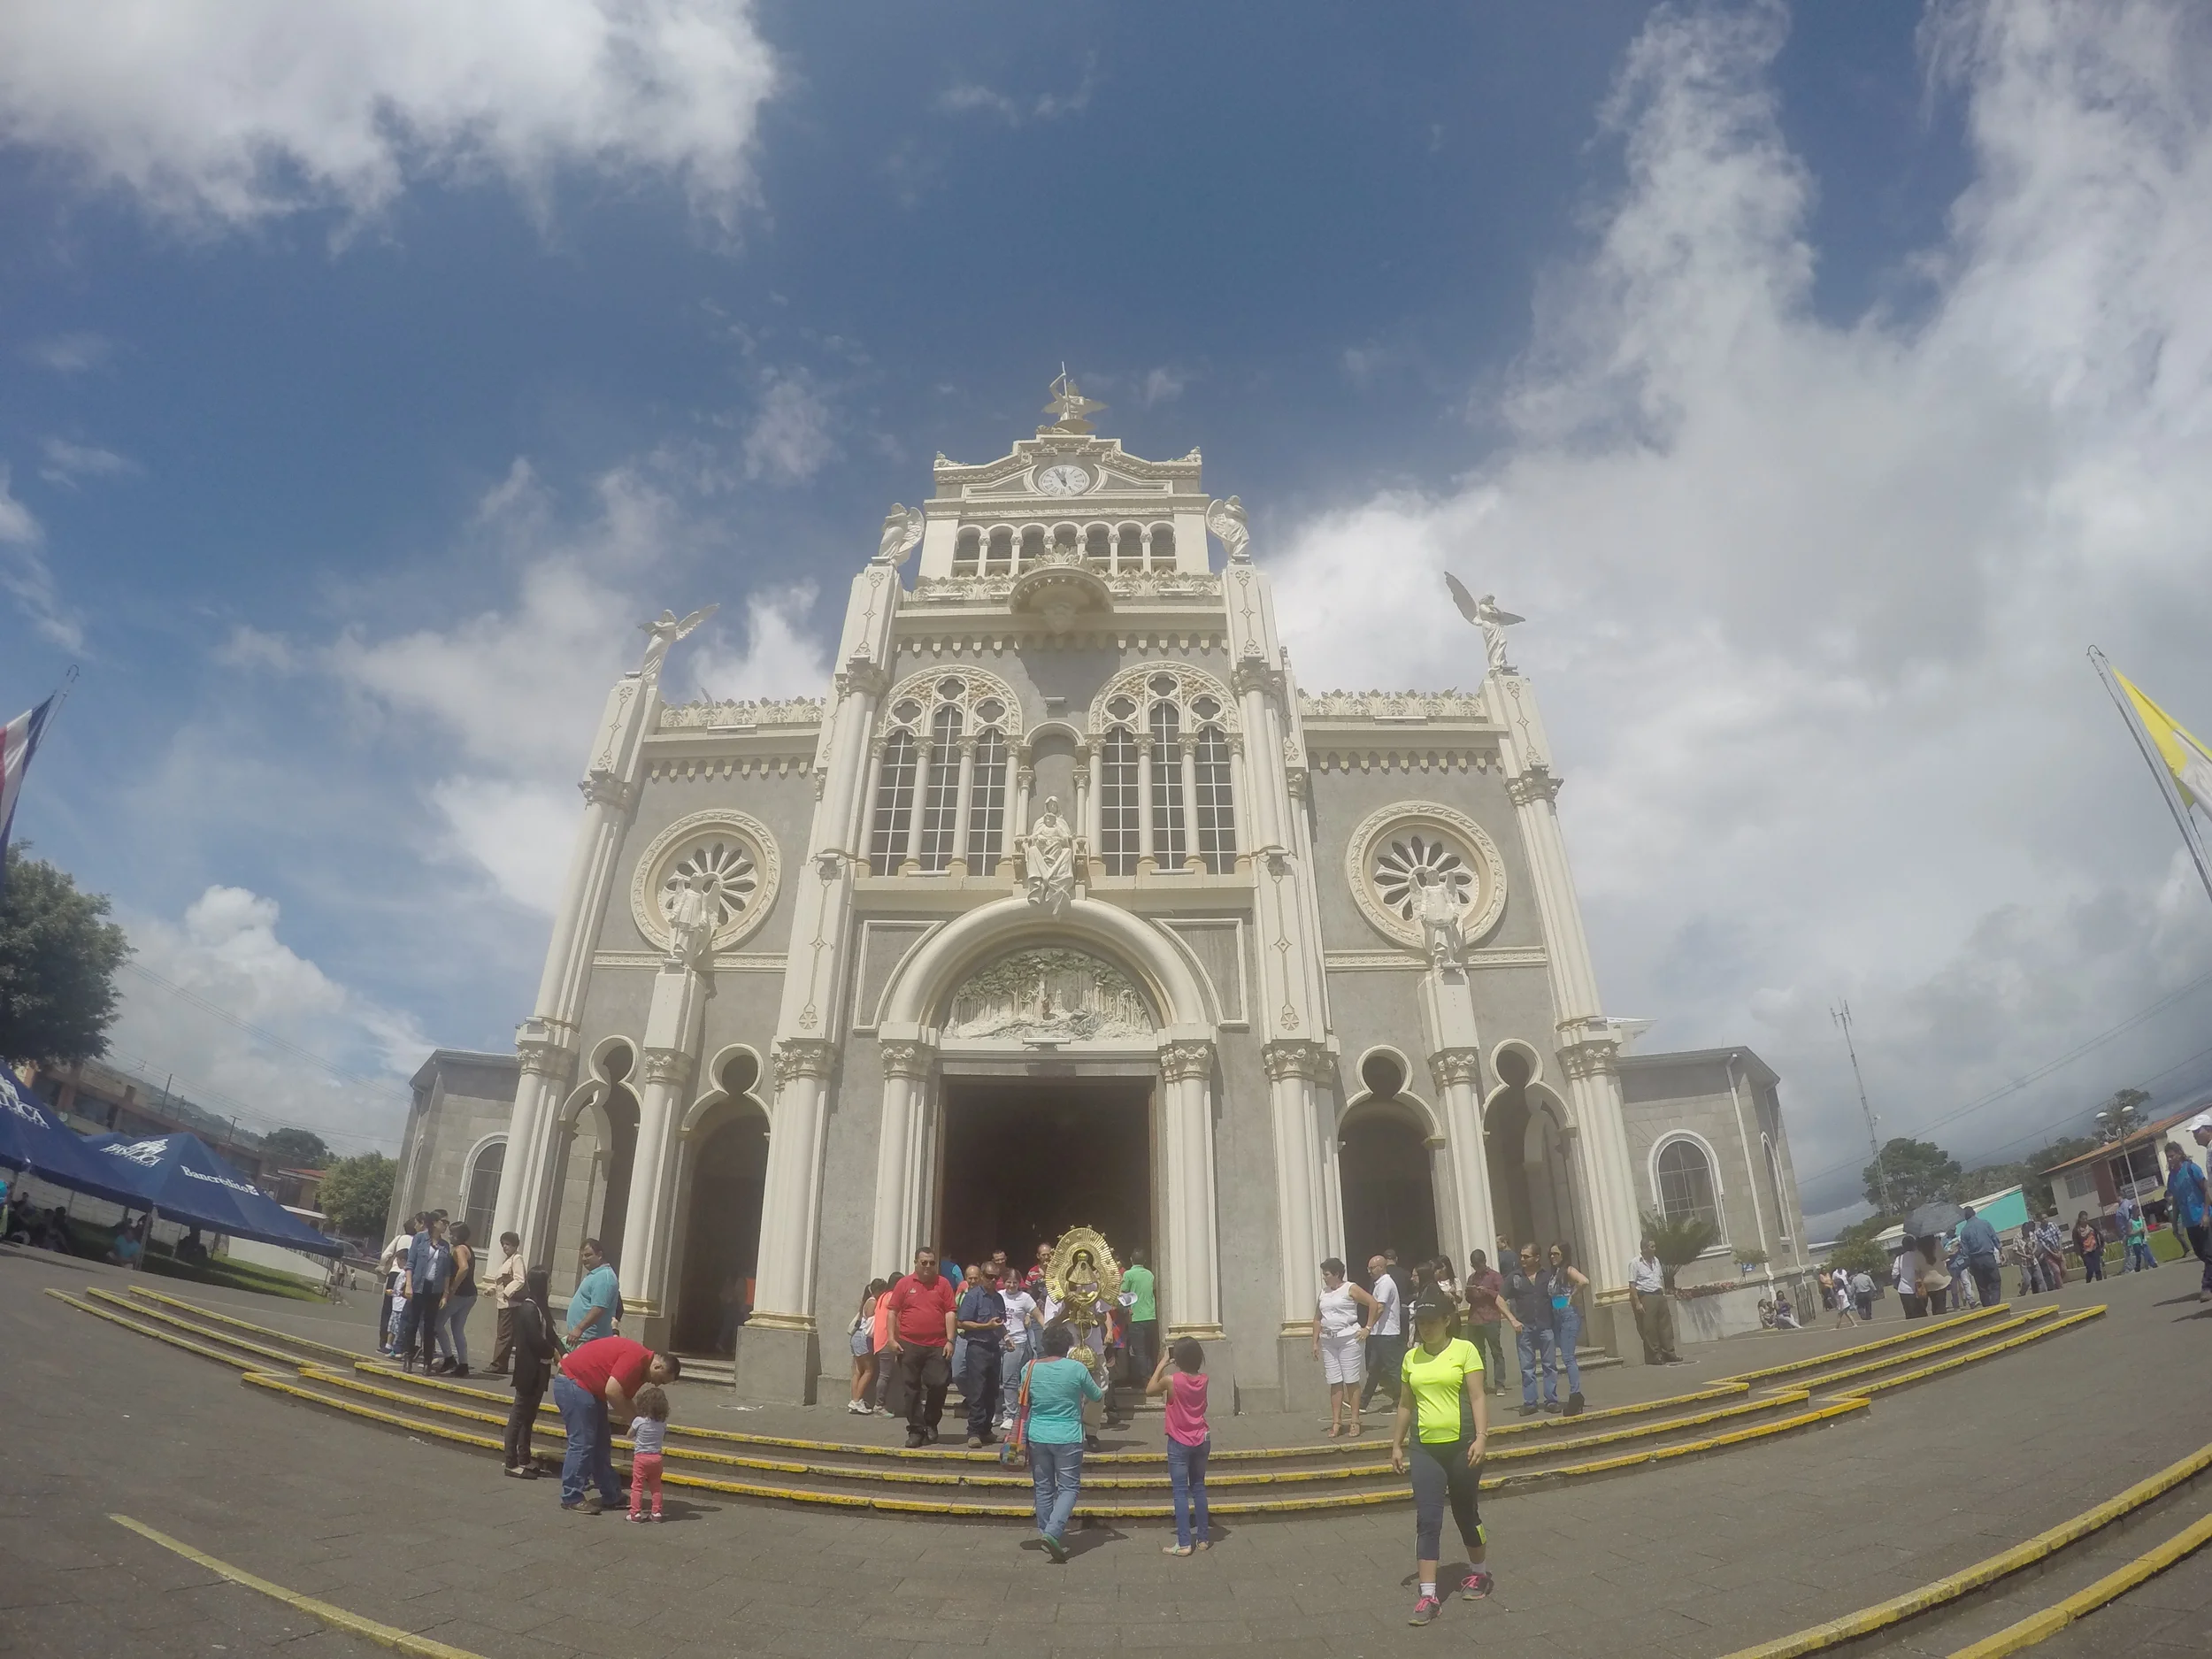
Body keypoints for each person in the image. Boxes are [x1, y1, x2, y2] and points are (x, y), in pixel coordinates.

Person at [1388, 1291, 1494, 1626]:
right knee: (1428, 1520)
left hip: (1463, 1446)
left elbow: (1477, 1397)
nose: (1426, 1328)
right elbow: (1405, 1404)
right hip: (1425, 1448)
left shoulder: (1465, 1350)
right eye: (1420, 1322)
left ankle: (1479, 1572)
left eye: (1432, 1322)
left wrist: (1481, 1437)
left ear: (1447, 1320)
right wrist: (1396, 1444)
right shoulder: (1411, 1358)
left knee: (1466, 1513)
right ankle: (1428, 1596)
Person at [551, 1333, 677, 1513]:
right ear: (657, 1366)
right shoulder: (636, 1357)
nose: (658, 1385)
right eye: (661, 1379)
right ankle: (572, 1496)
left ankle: (611, 1494)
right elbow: (612, 1391)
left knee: (601, 1444)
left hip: (588, 1390)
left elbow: (624, 1398)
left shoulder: (642, 1369)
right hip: (574, 1384)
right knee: (583, 1443)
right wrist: (636, 1423)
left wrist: (644, 1423)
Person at [1020, 1323, 1102, 1563]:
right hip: (1068, 1435)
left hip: (1037, 1434)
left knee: (1044, 1487)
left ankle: (1048, 1533)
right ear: (1068, 1346)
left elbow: (1022, 1398)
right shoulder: (1076, 1368)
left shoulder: (1030, 1367)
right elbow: (1097, 1395)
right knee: (1069, 1487)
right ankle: (1053, 1533)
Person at [886, 1246, 958, 1448]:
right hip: (909, 1345)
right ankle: (916, 1430)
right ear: (916, 1263)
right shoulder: (904, 1284)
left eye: (931, 1263)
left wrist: (950, 1340)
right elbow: (892, 1311)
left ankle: (931, 1422)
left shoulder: (943, 1284)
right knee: (911, 1390)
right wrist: (892, 1339)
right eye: (923, 1262)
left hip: (937, 1345)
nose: (927, 1266)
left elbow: (950, 1312)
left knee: (939, 1384)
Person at [1148, 1336, 1211, 1555]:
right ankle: (1203, 1538)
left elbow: (1149, 1389)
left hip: (1179, 1440)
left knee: (1180, 1492)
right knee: (1199, 1487)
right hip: (1201, 1437)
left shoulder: (1172, 1380)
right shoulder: (1204, 1379)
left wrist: (1162, 1362)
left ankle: (1184, 1542)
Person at [1311, 1257, 1379, 1439]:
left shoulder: (1350, 1288)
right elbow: (1318, 1317)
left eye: (1326, 1274)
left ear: (1336, 1274)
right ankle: (1336, 1421)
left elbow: (1374, 1303)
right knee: (1334, 1381)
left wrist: (1368, 1328)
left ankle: (1355, 1420)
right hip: (1329, 1340)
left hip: (1349, 1338)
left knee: (1351, 1380)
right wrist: (1315, 1342)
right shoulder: (1324, 1293)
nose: (1324, 1278)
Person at [503, 1265, 560, 1479]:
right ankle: (511, 1462)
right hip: (529, 1371)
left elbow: (551, 1335)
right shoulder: (528, 1309)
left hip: (541, 1370)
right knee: (518, 1416)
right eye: (549, 1282)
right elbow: (537, 1341)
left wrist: (563, 1351)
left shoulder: (539, 1308)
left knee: (529, 1417)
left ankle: (525, 1458)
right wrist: (555, 1354)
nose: (551, 1286)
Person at [1502, 1244, 1557, 1416]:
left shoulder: (1547, 1276)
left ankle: (1551, 1400)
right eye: (1522, 1256)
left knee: (1549, 1365)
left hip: (1545, 1326)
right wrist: (1512, 1319)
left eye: (1527, 1256)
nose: (1523, 1260)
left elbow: (1557, 1299)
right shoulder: (1515, 1277)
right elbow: (1499, 1299)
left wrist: (1566, 1306)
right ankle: (1530, 1402)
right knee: (1527, 1367)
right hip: (1524, 1327)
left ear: (1537, 1257)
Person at [958, 1263, 1008, 1448]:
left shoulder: (998, 1299)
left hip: (994, 1348)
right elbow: (962, 1322)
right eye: (989, 1276)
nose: (993, 1280)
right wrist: (986, 1326)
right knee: (977, 1390)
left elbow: (1000, 1323)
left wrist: (1006, 1337)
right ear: (982, 1277)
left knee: (992, 1390)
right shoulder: (973, 1296)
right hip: (977, 1347)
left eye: (996, 1277)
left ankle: (986, 1429)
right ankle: (974, 1431)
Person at [396, 1214, 450, 1372]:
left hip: (435, 1288)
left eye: (447, 1223)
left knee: (429, 1325)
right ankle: (408, 1357)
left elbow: (447, 1272)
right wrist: (408, 1285)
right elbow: (410, 1263)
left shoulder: (445, 1245)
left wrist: (446, 1294)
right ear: (434, 1222)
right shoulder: (420, 1239)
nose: (446, 1225)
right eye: (444, 1222)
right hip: (418, 1285)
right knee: (412, 1323)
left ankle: (427, 1361)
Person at [1543, 1242, 1591, 1416]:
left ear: (1563, 1255)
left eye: (1556, 1254)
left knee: (1568, 1357)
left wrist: (1572, 1296)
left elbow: (1584, 1281)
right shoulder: (1555, 1273)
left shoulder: (1568, 1270)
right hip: (1558, 1316)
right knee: (1563, 1356)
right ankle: (1574, 1393)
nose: (1553, 1257)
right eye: (1551, 1254)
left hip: (1568, 1315)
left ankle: (1575, 1394)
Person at [2162, 1139, 2212, 1300]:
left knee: (2209, 1253)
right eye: (2167, 1157)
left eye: (2172, 1156)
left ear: (2179, 1154)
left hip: (2204, 1217)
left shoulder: (2191, 1168)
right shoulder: (2171, 1178)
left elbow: (2206, 1190)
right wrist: (2175, 1223)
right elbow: (2175, 1201)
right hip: (2189, 1221)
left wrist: (2206, 1213)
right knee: (2200, 1253)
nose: (2169, 1159)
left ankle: (2207, 1287)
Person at [1359, 1254, 1406, 1414]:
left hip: (1388, 1333)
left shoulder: (1386, 1283)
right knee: (1375, 1369)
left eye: (1372, 1268)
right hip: (1380, 1333)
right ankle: (1362, 1403)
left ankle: (1401, 1402)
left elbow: (1380, 1307)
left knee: (1393, 1369)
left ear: (1381, 1267)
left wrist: (1368, 1326)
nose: (1369, 1271)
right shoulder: (1379, 1283)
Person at [996, 1270, 1041, 1432]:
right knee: (995, 1378)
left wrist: (1048, 1330)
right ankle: (997, 1412)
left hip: (1017, 1342)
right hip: (998, 1341)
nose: (1012, 1285)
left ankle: (1011, 1415)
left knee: (1009, 1378)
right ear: (1004, 1281)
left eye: (1015, 1282)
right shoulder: (998, 1296)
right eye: (1009, 1282)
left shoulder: (1025, 1298)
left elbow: (1038, 1315)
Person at [434, 1222, 478, 1376]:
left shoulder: (459, 1249)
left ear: (459, 1236)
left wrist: (452, 1288)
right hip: (470, 1294)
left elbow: (464, 1268)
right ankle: (463, 1364)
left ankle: (449, 1358)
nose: (450, 1236)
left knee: (437, 1324)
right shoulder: (468, 1248)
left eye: (453, 1234)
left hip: (459, 1294)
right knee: (457, 1329)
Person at [1628, 1238, 1680, 1364]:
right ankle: (1655, 1356)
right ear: (1644, 1248)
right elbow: (1632, 1285)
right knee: (1650, 1328)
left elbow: (1660, 1278)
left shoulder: (1656, 1260)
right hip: (1646, 1296)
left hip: (1659, 1294)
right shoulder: (1635, 1263)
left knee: (1665, 1326)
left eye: (1654, 1246)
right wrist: (1637, 1303)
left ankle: (1669, 1352)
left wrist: (1663, 1294)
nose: (1654, 1249)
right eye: (1652, 1247)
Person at [1463, 1250, 1509, 1394]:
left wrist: (1487, 1291)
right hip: (1475, 1319)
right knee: (1478, 1354)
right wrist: (1470, 1293)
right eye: (1474, 1265)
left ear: (1484, 1261)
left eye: (1479, 1264)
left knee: (1496, 1351)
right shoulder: (1471, 1278)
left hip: (1491, 1318)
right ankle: (1481, 1383)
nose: (1477, 1268)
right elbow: (1468, 1299)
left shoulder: (1494, 1276)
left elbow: (1502, 1296)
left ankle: (1499, 1383)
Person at [626, 1380, 671, 1522]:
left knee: (637, 1486)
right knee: (656, 1486)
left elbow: (629, 1434)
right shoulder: (663, 1423)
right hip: (656, 1458)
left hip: (641, 1457)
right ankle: (656, 1513)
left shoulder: (639, 1421)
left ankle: (635, 1513)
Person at [565, 1237, 621, 1348]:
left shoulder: (604, 1277)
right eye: (582, 1256)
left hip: (590, 1340)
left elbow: (599, 1308)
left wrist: (579, 1328)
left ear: (599, 1255)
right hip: (582, 1338)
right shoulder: (596, 1274)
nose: (584, 1259)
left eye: (588, 1255)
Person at [484, 1231, 526, 1377]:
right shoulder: (507, 1260)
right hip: (504, 1303)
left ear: (515, 1245)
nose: (505, 1247)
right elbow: (501, 1282)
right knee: (505, 1334)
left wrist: (507, 1292)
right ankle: (500, 1363)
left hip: (510, 1304)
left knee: (504, 1335)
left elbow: (520, 1279)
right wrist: (492, 1290)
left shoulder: (517, 1259)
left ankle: (498, 1364)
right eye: (503, 1244)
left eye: (508, 1244)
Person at [848, 1279, 888, 1415]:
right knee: (869, 1370)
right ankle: (857, 1400)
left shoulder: (866, 1301)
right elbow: (872, 1324)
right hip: (864, 1338)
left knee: (858, 1371)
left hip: (857, 1337)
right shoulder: (873, 1302)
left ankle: (854, 1400)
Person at [378, 1217, 418, 1355]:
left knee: (388, 1309)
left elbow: (385, 1255)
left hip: (395, 1273)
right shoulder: (418, 1240)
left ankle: (384, 1342)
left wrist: (385, 1268)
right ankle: (401, 1343)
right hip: (409, 1275)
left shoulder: (400, 1238)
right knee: (405, 1311)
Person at [1121, 1247, 1158, 1384]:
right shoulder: (1150, 1274)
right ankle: (1150, 1376)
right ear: (1145, 1260)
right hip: (1151, 1316)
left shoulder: (1128, 1275)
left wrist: (1125, 1309)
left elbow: (1123, 1293)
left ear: (1131, 1260)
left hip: (1136, 1317)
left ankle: (1145, 1378)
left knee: (1139, 1350)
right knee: (1148, 1349)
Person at [1956, 1206, 2004, 1308]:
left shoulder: (1964, 1231)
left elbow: (1965, 1251)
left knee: (1982, 1286)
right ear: (1974, 1213)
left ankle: (1987, 1307)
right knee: (1995, 1281)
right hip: (1988, 1257)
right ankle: (1995, 1304)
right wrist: (2001, 1251)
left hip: (1975, 1260)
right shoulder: (1985, 1223)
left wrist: (1968, 1264)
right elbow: (1994, 1238)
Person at [2125, 1199, 2155, 1273]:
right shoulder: (2130, 1221)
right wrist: (2138, 1230)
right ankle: (2137, 1267)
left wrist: (2143, 1232)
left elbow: (2142, 1228)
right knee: (2138, 1255)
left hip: (2142, 1239)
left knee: (2147, 1251)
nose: (2138, 1211)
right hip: (2135, 1241)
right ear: (2133, 1212)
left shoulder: (2140, 1219)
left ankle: (2152, 1263)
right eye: (2137, 1210)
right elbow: (2129, 1233)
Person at [2073, 1212, 2105, 1283]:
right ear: (2080, 1219)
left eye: (2086, 1219)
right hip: (2085, 1252)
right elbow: (2076, 1243)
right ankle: (2088, 1283)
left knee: (2097, 1269)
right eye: (2083, 1219)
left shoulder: (2091, 1226)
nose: (2085, 1220)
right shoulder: (2076, 1230)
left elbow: (2099, 1235)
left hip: (2095, 1249)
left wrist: (2102, 1246)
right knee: (2090, 1269)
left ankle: (2100, 1283)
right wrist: (2078, 1255)